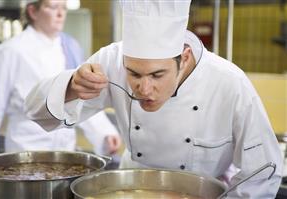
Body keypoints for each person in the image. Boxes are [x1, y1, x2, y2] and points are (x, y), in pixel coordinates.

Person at [25, 0, 283, 198]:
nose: (144, 89)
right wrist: (71, 86)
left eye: (157, 75)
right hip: (128, 189)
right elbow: (34, 110)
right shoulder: (111, 61)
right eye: (133, 74)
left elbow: (263, 170)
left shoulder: (229, 82)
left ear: (184, 59)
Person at [0, 0, 122, 157]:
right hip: (26, 150)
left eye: (63, 8)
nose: (60, 14)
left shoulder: (70, 47)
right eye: (53, 7)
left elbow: (81, 98)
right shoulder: (10, 51)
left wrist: (104, 133)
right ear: (33, 11)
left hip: (65, 151)